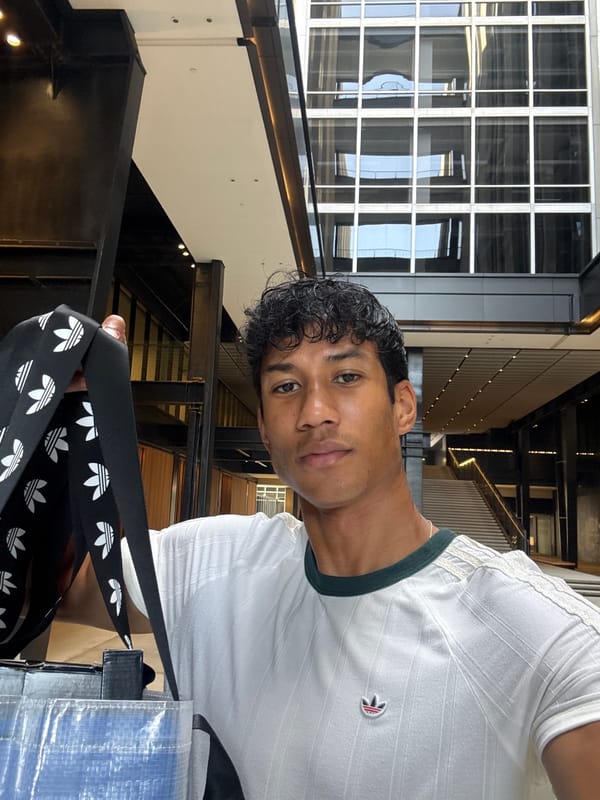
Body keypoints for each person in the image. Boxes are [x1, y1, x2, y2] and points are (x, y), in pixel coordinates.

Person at [62, 277, 600, 799]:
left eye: (345, 378)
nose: (314, 412)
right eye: (286, 386)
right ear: (266, 429)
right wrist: (69, 423)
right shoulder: (212, 562)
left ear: (403, 407)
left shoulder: (537, 629)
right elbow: (53, 587)